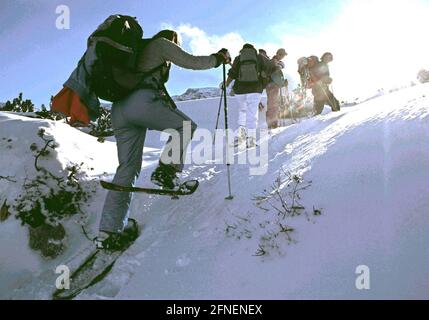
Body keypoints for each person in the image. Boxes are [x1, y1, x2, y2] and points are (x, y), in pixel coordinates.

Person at [97, 29, 230, 251]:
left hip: (119, 110)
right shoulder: (161, 44)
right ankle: (166, 172)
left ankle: (108, 232)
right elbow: (191, 61)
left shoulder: (135, 53)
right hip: (141, 102)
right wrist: (218, 59)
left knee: (127, 169)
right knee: (185, 126)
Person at [224, 44, 279, 147]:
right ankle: (251, 140)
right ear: (253, 49)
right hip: (255, 89)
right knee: (252, 114)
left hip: (240, 90)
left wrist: (226, 84)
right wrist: (266, 74)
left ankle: (240, 137)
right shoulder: (259, 57)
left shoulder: (238, 58)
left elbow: (232, 74)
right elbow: (272, 67)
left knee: (243, 112)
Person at [266, 48, 287, 129]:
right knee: (273, 105)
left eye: (283, 55)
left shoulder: (275, 61)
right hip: (273, 85)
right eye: (282, 55)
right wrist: (282, 83)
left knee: (272, 104)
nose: (283, 56)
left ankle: (272, 123)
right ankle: (272, 124)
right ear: (278, 53)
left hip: (272, 85)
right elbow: (275, 76)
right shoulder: (274, 62)